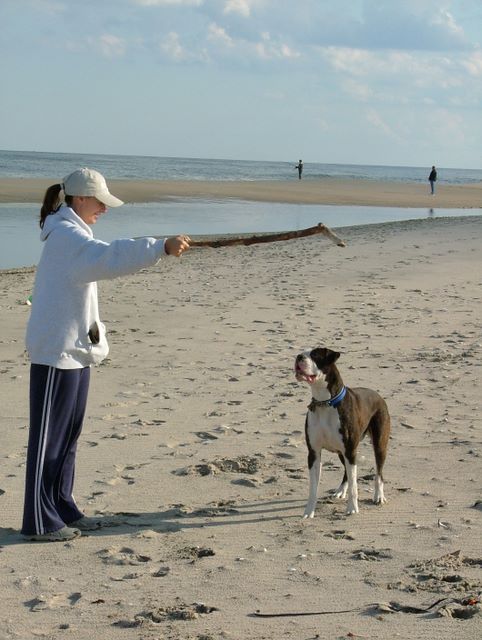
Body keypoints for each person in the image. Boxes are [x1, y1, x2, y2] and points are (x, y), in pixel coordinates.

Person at [21, 167, 191, 542]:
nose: (104, 209)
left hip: (73, 351)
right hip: (55, 353)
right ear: (80, 198)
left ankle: (61, 507)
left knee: (67, 438)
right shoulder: (67, 237)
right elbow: (109, 257)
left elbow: (103, 257)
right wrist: (159, 247)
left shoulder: (74, 232)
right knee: (49, 440)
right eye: (100, 202)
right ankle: (38, 521)